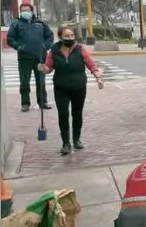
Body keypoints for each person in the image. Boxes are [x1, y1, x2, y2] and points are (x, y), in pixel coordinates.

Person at [37, 26, 103, 155]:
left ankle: (76, 140)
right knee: (63, 114)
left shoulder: (80, 49)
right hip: (61, 88)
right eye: (67, 36)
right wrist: (43, 68)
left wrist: (98, 77)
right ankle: (66, 142)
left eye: (72, 35)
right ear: (60, 37)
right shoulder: (54, 50)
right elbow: (49, 68)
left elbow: (91, 65)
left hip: (79, 87)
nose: (70, 38)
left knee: (77, 113)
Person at [6, 3, 53, 112]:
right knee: (24, 82)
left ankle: (43, 102)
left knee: (41, 81)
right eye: (22, 11)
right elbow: (10, 39)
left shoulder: (40, 24)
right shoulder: (16, 24)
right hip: (24, 58)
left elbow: (49, 36)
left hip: (40, 57)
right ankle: (25, 103)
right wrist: (18, 47)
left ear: (32, 11)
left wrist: (45, 46)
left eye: (27, 10)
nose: (25, 12)